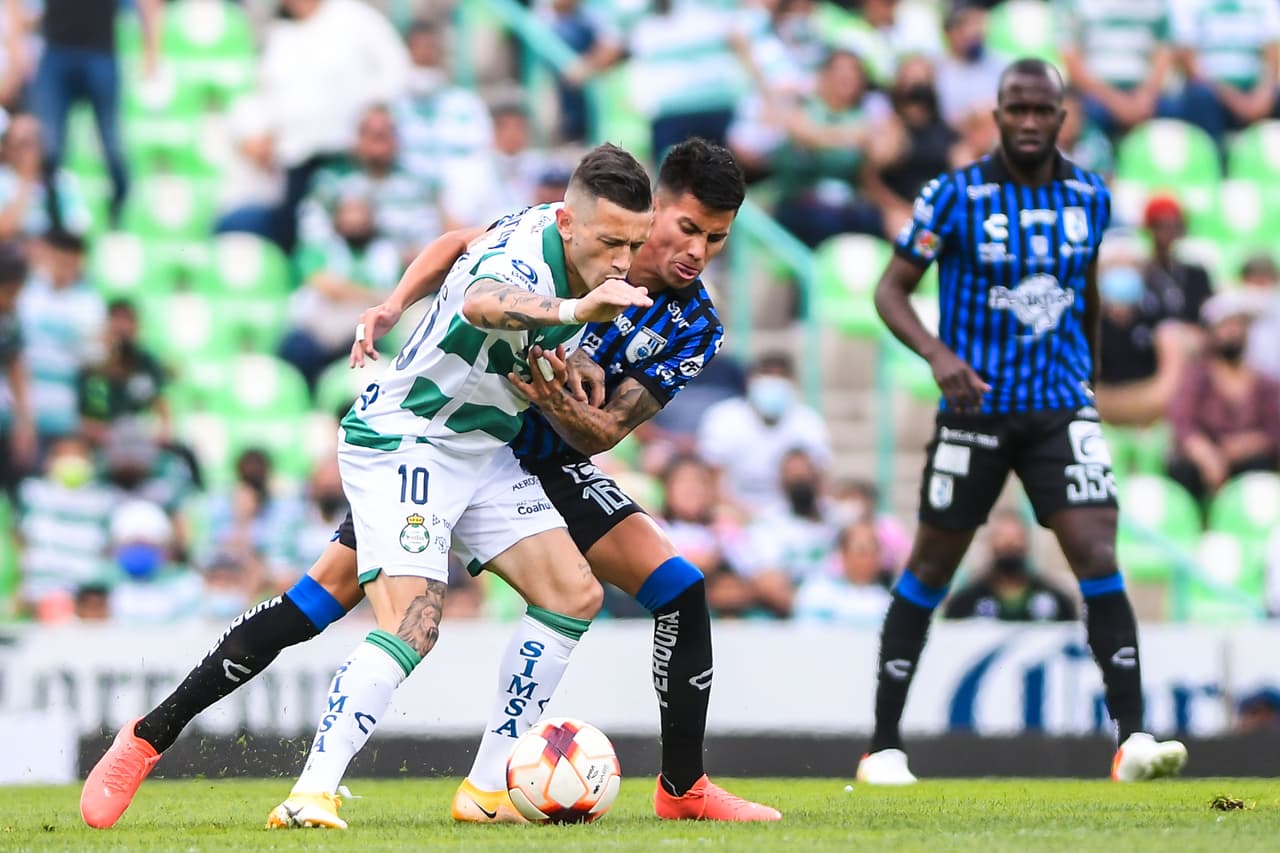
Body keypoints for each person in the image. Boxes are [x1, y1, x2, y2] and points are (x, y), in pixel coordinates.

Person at [81, 139, 781, 828]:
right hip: (417, 436)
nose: (695, 250)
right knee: (336, 609)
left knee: (610, 591)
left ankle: (507, 788)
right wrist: (402, 305)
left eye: (716, 239)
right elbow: (476, 284)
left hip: (507, 448)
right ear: (650, 211)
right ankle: (172, 746)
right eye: (687, 228)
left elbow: (601, 433)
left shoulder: (687, 317)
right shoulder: (551, 239)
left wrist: (564, 390)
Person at [858, 58, 1187, 786]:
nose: (1030, 122)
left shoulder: (1090, 195)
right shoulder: (952, 195)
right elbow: (890, 291)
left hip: (1059, 406)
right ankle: (883, 744)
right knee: (931, 566)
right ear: (998, 113)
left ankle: (1132, 737)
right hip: (974, 408)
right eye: (1017, 109)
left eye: (1044, 110)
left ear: (1063, 117)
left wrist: (1090, 386)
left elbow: (1088, 293)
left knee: (1098, 552)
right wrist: (937, 352)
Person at [31, 0, 161, 229]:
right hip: (57, 50)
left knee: (112, 147)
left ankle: (118, 213)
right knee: (49, 148)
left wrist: (151, 51)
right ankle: (55, 221)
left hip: (100, 53)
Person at [1166, 292, 1280, 503]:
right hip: (1204, 461)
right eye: (1226, 326)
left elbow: (1274, 429)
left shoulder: (1265, 383)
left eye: (1238, 325)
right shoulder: (1196, 378)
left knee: (1259, 469)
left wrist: (1246, 444)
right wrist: (1208, 455)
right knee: (1183, 470)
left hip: (1248, 465)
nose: (1233, 332)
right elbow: (1183, 424)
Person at [697, 351, 830, 511]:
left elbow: (820, 481)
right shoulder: (723, 418)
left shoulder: (808, 422)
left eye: (781, 378)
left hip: (791, 516)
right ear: (750, 381)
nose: (774, 384)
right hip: (732, 514)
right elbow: (710, 479)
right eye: (767, 376)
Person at [1059, 0, 1174, 135]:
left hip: (1144, 92)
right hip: (1095, 93)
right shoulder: (1074, 4)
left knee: (1171, 112)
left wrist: (1146, 97)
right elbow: (1072, 61)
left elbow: (1164, 54)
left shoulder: (1157, 4)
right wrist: (1116, 102)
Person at [1172, 0, 1280, 143]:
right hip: (1210, 89)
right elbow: (1188, 59)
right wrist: (1233, 98)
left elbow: (1273, 50)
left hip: (1255, 89)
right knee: (1201, 97)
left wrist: (1264, 94)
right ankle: (1214, 158)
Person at [942, 510, 1077, 622]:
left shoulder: (1057, 600)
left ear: (1026, 544)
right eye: (1003, 539)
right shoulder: (965, 602)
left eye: (1016, 539)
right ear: (991, 544)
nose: (1009, 545)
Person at [77, 299, 169, 446]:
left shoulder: (146, 363)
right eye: (117, 319)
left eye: (128, 320)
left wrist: (162, 431)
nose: (122, 327)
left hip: (139, 436)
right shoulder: (95, 366)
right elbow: (92, 417)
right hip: (105, 440)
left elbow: (160, 404)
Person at [793, 519, 892, 626]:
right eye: (862, 551)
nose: (870, 559)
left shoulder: (886, 601)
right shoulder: (817, 592)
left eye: (874, 551)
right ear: (843, 554)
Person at [1142, 195, 1212, 332]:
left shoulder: (1195, 273)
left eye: (1176, 226)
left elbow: (1206, 314)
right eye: (1162, 226)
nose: (1170, 233)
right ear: (1150, 229)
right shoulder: (1142, 273)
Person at [0, 240, 33, 497]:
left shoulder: (9, 320)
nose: (14, 299)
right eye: (10, 292)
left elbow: (16, 369)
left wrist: (23, 422)